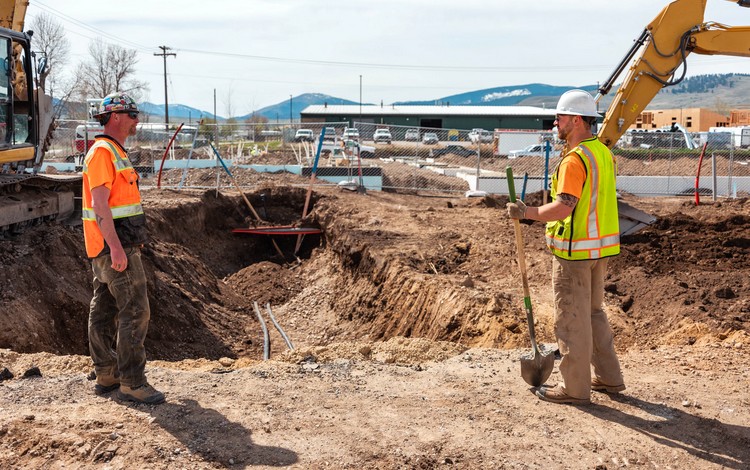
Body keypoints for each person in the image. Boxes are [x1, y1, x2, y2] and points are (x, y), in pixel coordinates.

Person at [506, 89, 625, 405]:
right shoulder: (602, 153)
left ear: (575, 120)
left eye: (559, 117)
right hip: (599, 249)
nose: (555, 123)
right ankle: (609, 378)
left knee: (572, 318)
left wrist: (527, 213)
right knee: (595, 314)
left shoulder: (576, 160)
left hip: (574, 253)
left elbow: (564, 207)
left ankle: (574, 388)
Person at [81, 92, 165, 405]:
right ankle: (132, 382)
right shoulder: (103, 152)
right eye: (132, 115)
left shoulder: (112, 151)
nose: (136, 120)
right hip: (116, 247)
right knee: (135, 311)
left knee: (103, 308)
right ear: (115, 117)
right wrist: (116, 248)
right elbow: (99, 204)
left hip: (108, 245)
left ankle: (107, 374)